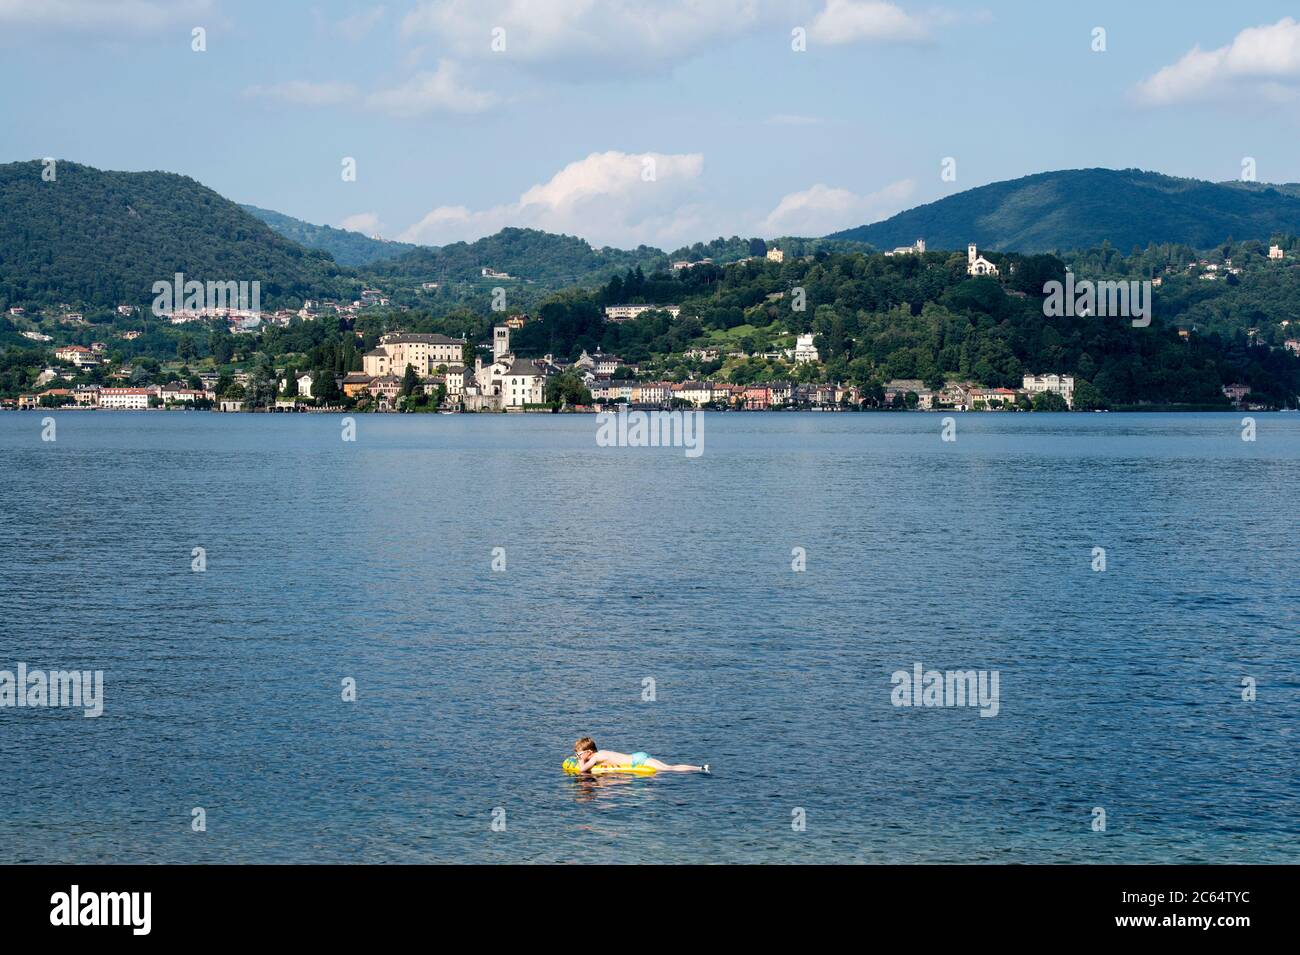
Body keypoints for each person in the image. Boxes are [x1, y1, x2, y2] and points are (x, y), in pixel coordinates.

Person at [572, 736, 708, 773]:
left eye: (580, 754)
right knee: (668, 767)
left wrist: (581, 761)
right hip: (637, 756)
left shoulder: (595, 757)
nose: (578, 757)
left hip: (638, 761)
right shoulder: (600, 753)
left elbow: (581, 770)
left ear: (589, 752)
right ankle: (699, 768)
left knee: (668, 769)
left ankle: (699, 768)